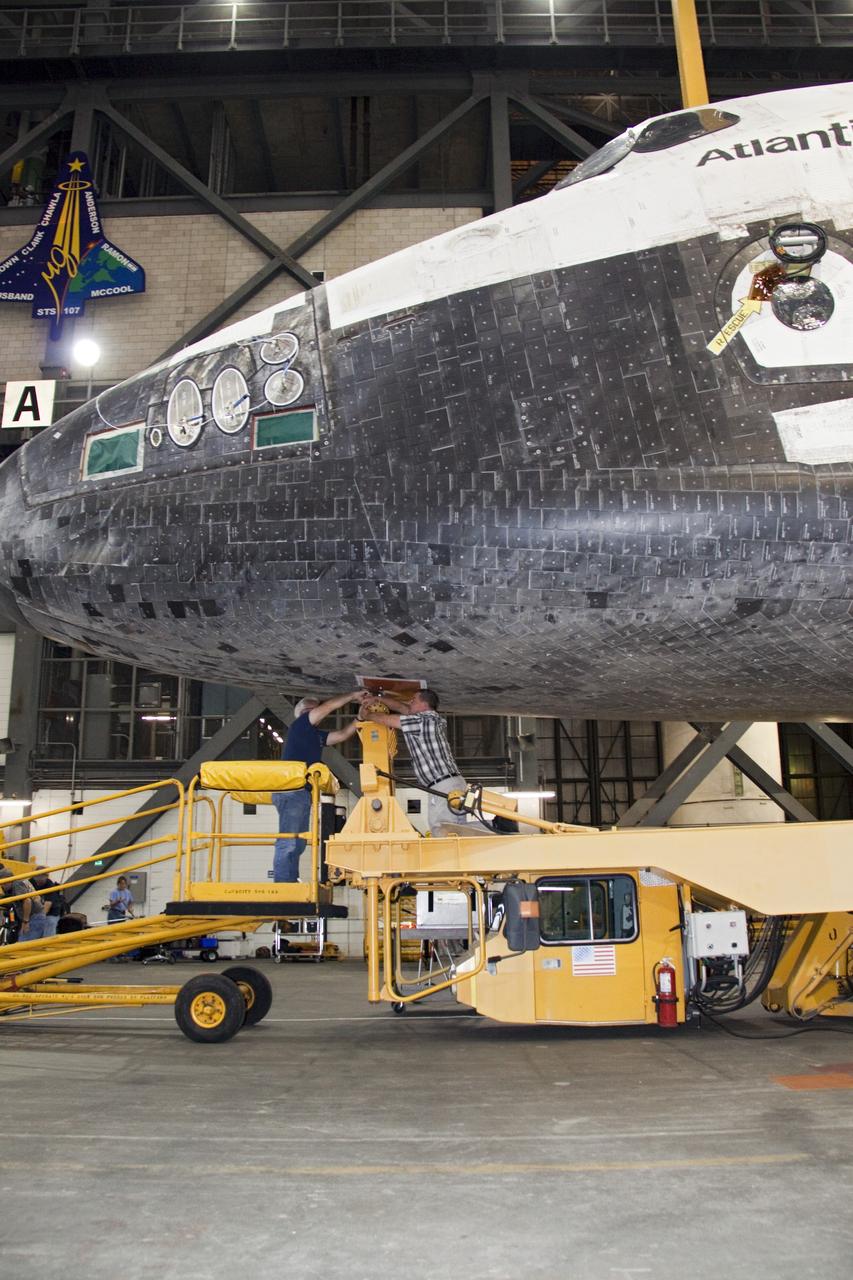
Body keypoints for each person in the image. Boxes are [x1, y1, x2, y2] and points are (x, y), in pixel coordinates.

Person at [273, 690, 365, 882]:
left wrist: (360, 718)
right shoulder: (300, 725)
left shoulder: (313, 734)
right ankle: (283, 884)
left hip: (300, 793)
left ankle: (289, 880)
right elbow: (329, 707)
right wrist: (352, 695)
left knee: (296, 842)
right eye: (310, 710)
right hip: (292, 790)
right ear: (302, 713)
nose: (315, 713)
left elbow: (341, 735)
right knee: (290, 841)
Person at [361, 688, 469, 836]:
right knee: (458, 830)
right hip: (451, 784)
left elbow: (386, 720)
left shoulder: (421, 721)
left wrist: (366, 714)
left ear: (424, 704)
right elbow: (401, 708)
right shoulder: (432, 719)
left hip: (443, 786)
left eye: (414, 700)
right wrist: (377, 699)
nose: (410, 702)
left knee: (444, 832)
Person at [0, 862, 49, 941]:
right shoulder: (15, 885)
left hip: (34, 917)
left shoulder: (17, 884)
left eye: (3, 883)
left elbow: (27, 901)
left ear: (9, 879)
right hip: (34, 916)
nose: (2, 886)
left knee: (24, 942)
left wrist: (25, 922)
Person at [31, 870, 66, 938]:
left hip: (52, 912)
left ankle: (47, 944)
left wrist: (39, 918)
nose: (38, 882)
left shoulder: (50, 886)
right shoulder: (31, 882)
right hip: (37, 910)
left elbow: (47, 905)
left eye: (41, 880)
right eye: (37, 879)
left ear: (46, 877)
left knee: (49, 924)